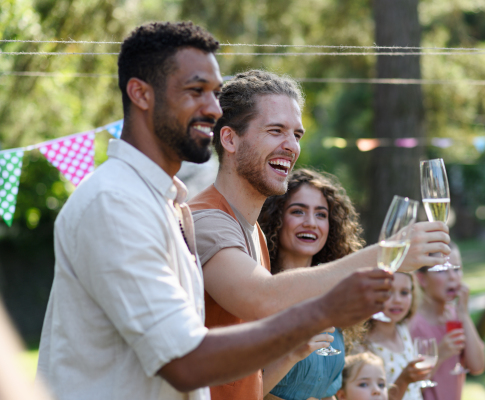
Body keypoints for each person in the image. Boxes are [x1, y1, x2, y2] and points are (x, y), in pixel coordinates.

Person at [36, 21, 395, 400]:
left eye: (215, 93)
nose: (212, 108)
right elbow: (186, 361)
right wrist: (322, 309)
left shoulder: (168, 205)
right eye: (196, 91)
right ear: (141, 94)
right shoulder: (114, 203)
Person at [188, 69, 452, 399]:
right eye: (276, 131)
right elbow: (260, 297)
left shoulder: (251, 230)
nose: (291, 146)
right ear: (229, 139)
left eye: (296, 134)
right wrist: (388, 254)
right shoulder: (208, 218)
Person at [257, 168, 365, 400]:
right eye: (298, 211)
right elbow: (236, 392)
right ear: (275, 217)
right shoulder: (257, 290)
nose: (310, 223)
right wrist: (292, 354)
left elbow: (327, 390)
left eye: (321, 214)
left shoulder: (333, 296)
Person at [409, 244, 485, 400]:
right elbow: (409, 387)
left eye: (457, 269)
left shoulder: (456, 317)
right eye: (442, 270)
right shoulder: (412, 325)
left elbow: (477, 366)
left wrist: (464, 314)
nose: (453, 277)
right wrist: (440, 354)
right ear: (422, 279)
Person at [360, 272, 432, 400]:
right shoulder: (364, 345)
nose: (397, 300)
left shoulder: (402, 330)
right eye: (388, 292)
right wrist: (404, 380)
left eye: (404, 292)